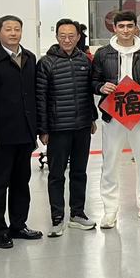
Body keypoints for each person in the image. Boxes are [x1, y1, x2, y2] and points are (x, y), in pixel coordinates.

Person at [0, 15, 43, 248]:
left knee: (21, 183)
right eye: (8, 29)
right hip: (0, 136)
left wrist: (37, 129)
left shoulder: (29, 57)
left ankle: (18, 225)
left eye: (17, 29)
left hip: (25, 133)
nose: (13, 33)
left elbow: (33, 95)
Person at [92, 11, 140, 227]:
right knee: (110, 162)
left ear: (135, 27)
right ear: (114, 28)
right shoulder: (103, 53)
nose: (126, 30)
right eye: (121, 26)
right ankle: (110, 210)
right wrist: (101, 87)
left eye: (130, 26)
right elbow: (93, 80)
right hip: (113, 114)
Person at [36, 19, 99, 237]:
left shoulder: (84, 60)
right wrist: (43, 129)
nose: (67, 39)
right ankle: (57, 217)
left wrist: (92, 118)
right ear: (56, 37)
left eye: (71, 35)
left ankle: (77, 214)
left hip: (82, 126)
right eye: (62, 35)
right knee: (56, 174)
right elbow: (40, 97)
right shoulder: (46, 62)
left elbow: (88, 92)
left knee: (79, 172)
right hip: (58, 128)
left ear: (78, 37)